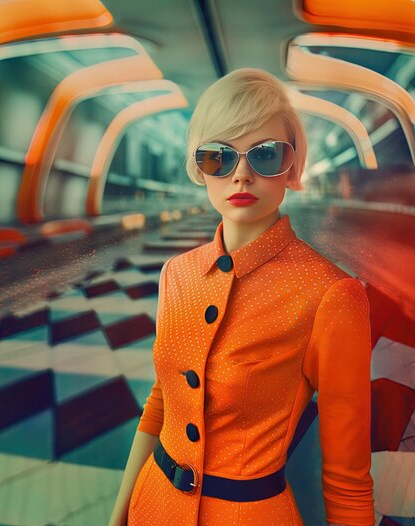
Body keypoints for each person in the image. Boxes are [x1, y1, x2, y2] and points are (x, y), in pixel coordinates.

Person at [108, 68, 375, 526]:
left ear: (293, 167)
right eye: (219, 157)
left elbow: (348, 478)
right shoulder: (177, 273)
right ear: (199, 168)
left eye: (267, 155)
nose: (242, 175)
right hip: (150, 505)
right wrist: (118, 515)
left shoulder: (331, 294)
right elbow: (162, 404)